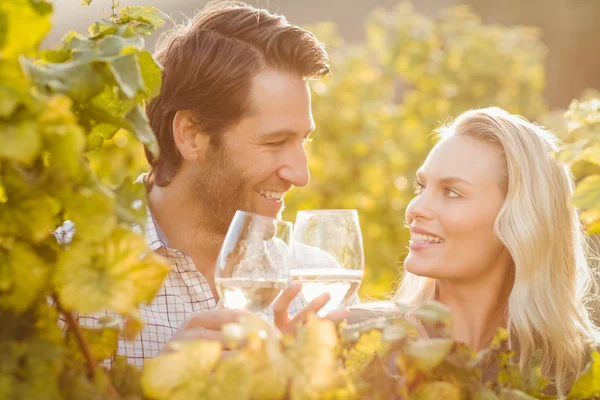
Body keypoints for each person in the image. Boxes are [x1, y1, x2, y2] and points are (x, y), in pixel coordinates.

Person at [74, 1, 348, 366]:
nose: (301, 174)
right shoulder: (64, 270)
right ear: (191, 135)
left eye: (304, 140)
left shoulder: (316, 282)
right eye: (274, 142)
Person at [349, 107, 599, 395]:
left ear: (521, 221)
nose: (415, 209)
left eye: (452, 192)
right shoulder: (356, 342)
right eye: (421, 187)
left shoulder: (580, 372)